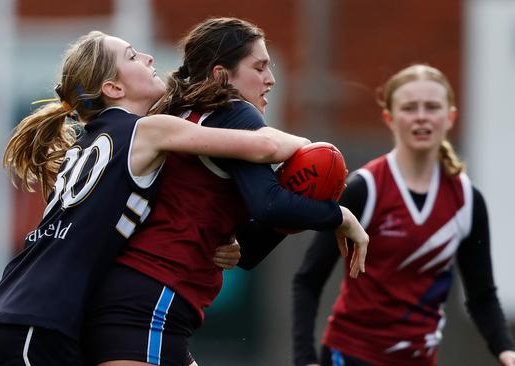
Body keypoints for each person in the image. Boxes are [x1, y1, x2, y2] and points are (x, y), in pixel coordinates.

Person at [0, 30, 309, 366]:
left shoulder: (93, 141)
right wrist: (317, 152)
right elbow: (262, 146)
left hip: (24, 307)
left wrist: (223, 239)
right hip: (42, 318)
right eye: (132, 56)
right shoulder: (145, 131)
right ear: (114, 88)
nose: (148, 58)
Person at [82, 17, 368, 366]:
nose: (271, 79)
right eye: (259, 67)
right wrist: (340, 216)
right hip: (152, 296)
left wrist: (294, 207)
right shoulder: (232, 110)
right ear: (221, 76)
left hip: (138, 297)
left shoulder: (180, 113)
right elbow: (270, 206)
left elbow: (247, 248)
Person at [290, 64, 515, 366]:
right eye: (409, 107)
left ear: (450, 117)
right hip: (351, 355)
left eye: (431, 107)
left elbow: (482, 295)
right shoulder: (366, 189)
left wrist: (506, 349)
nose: (421, 116)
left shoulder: (467, 200)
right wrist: (304, 358)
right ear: (390, 118)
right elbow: (308, 278)